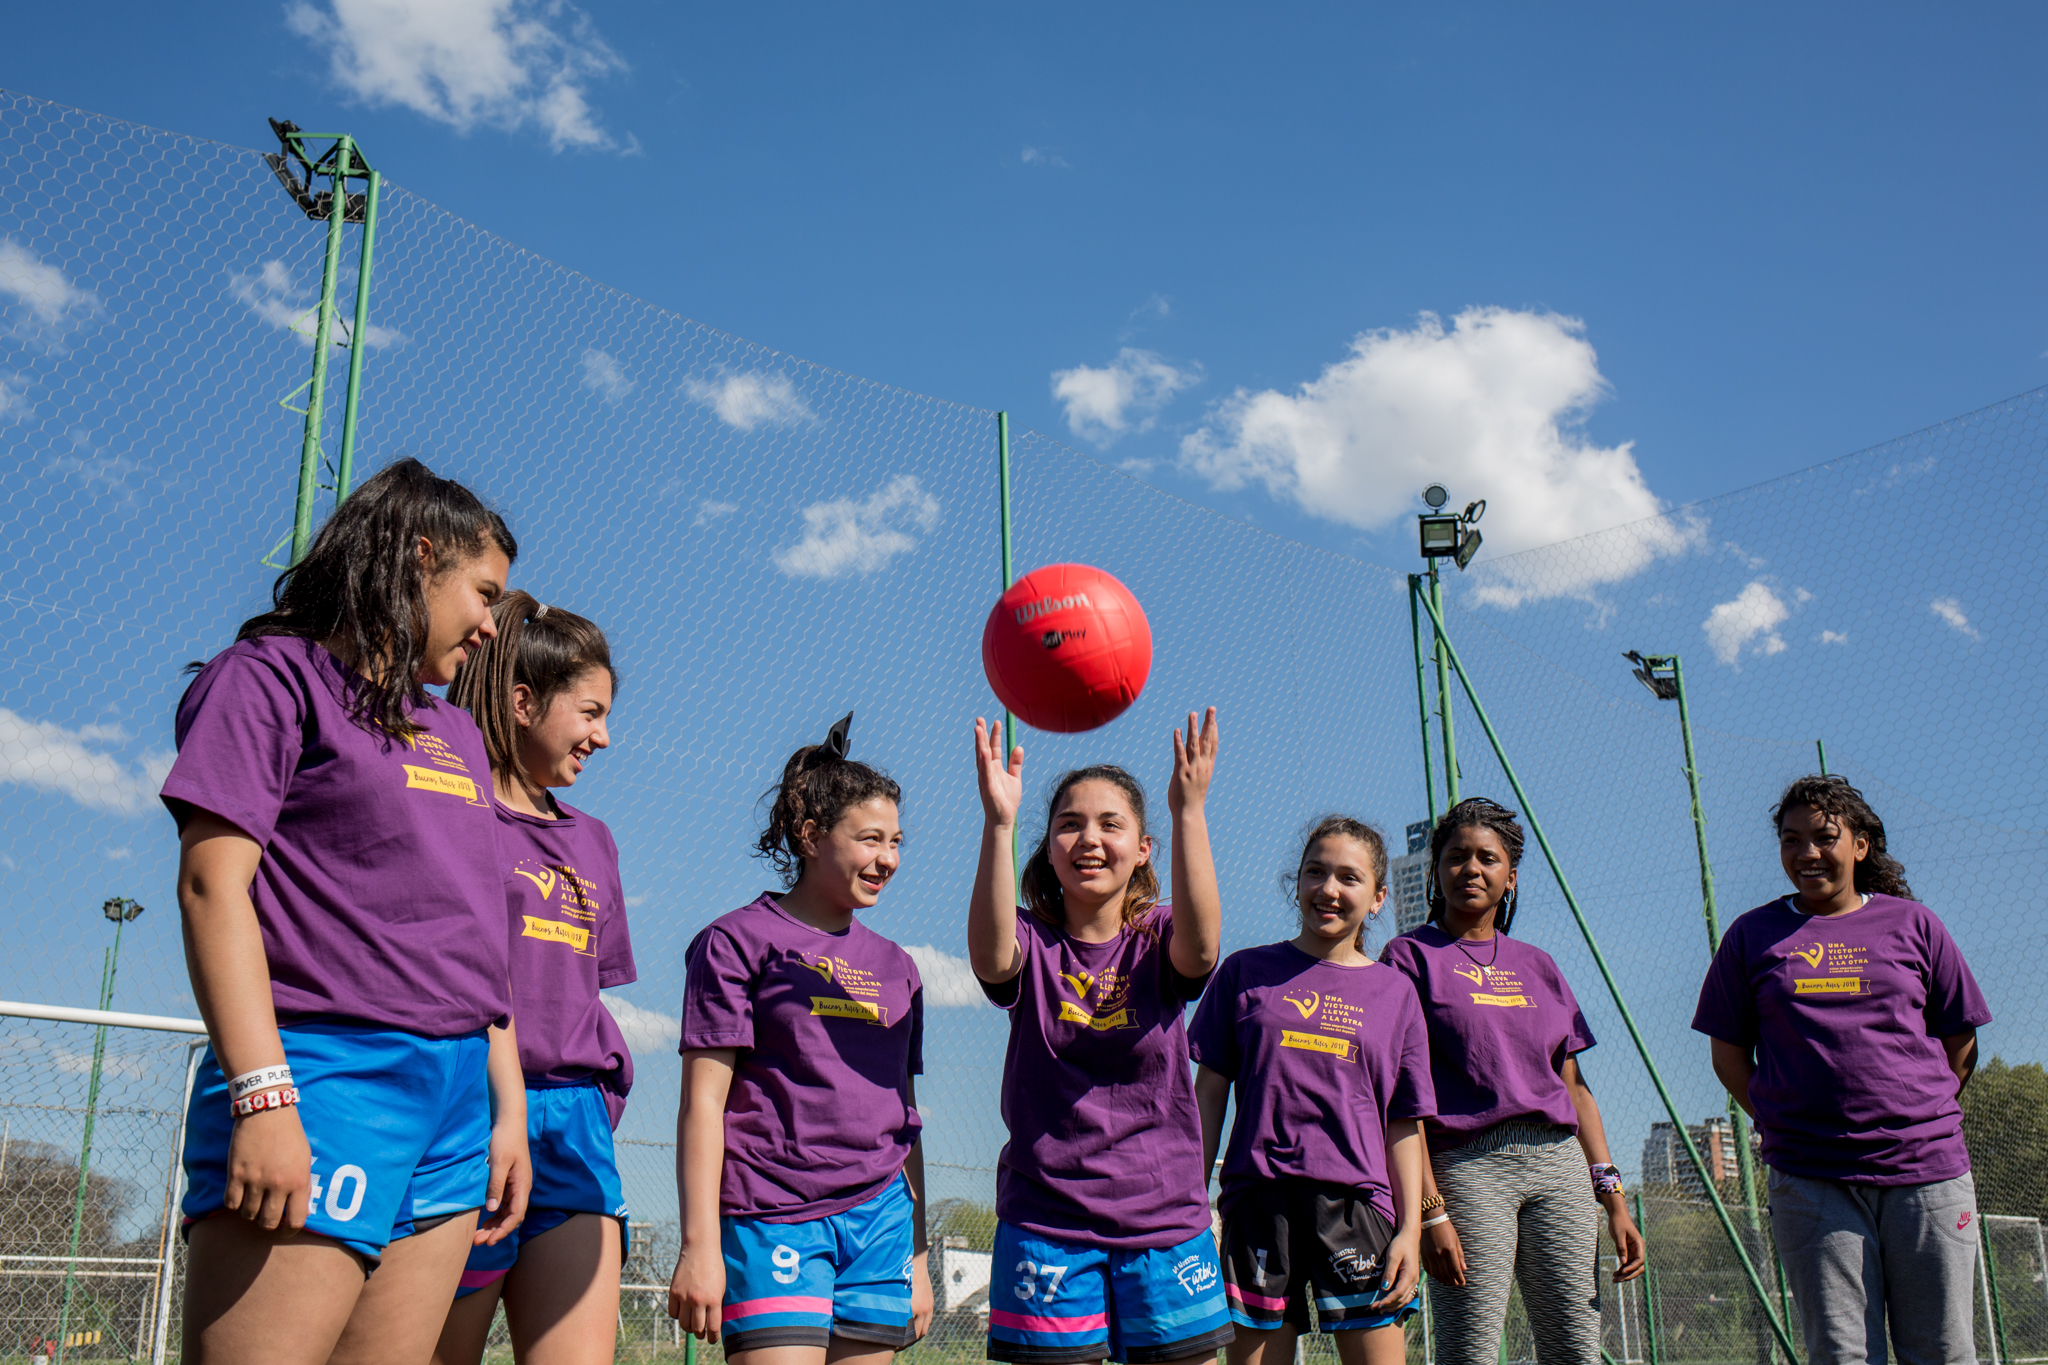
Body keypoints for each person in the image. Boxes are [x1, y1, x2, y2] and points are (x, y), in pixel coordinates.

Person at [161, 458, 531, 1365]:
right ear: (417, 558)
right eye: (483, 593)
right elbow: (214, 886)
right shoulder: (271, 677)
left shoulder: (454, 734)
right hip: (327, 1075)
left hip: (454, 1099)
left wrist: (505, 1111)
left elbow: (475, 940)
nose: (492, 625)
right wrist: (263, 1094)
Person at [1693, 775, 1991, 1365]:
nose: (1807, 853)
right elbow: (1728, 1056)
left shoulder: (1915, 925)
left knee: (1944, 1351)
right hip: (1811, 1177)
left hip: (1926, 1172)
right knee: (1840, 1353)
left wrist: (1913, 1114)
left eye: (1825, 837)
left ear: (1861, 845)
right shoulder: (1752, 936)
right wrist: (1786, 1117)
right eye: (1791, 840)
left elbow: (1960, 1041)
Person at [967, 709, 1234, 1365]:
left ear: (1143, 847)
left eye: (1111, 824)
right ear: (1048, 847)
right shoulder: (1031, 942)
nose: (1089, 837)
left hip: (1165, 1221)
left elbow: (1202, 950)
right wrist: (999, 821)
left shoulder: (1159, 936)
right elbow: (990, 956)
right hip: (1046, 1223)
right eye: (1069, 823)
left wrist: (1189, 811)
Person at [666, 715, 934, 1362]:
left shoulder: (899, 966)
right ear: (812, 836)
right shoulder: (735, 943)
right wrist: (699, 1244)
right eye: (870, 838)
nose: (888, 858)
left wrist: (919, 1255)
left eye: (896, 840)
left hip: (881, 1225)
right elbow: (703, 1104)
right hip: (772, 1216)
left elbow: (906, 1118)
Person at [435, 594, 635, 1365]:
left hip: (575, 1126)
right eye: (589, 711)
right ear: (524, 702)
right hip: (471, 1113)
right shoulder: (456, 812)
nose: (604, 736)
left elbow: (584, 990)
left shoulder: (596, 841)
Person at [1379, 797, 1644, 1365]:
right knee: (1469, 1351)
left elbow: (1574, 1088)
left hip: (1559, 1165)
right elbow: (1402, 1099)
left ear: (1511, 876)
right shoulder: (1407, 958)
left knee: (1576, 1348)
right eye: (1456, 857)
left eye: (1487, 858)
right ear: (1436, 871)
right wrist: (1430, 1210)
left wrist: (1613, 1197)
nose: (1471, 869)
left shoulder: (1539, 964)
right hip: (1467, 1170)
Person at [1190, 816, 1433, 1365]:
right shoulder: (1244, 973)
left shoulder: (1396, 994)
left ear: (1378, 898)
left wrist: (1410, 1231)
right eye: (1315, 872)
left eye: (1349, 877)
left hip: (1356, 1207)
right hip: (1257, 1204)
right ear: (1295, 882)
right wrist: (1193, 1203)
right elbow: (1207, 1096)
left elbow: (1403, 1123)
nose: (1328, 889)